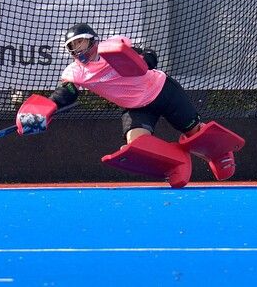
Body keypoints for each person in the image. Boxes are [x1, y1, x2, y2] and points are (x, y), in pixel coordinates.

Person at [14, 23, 244, 188]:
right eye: (72, 46)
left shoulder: (112, 48)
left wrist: (144, 61)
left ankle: (217, 153)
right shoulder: (75, 72)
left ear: (92, 40)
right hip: (136, 107)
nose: (77, 49)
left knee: (195, 132)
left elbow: (148, 55)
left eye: (80, 42)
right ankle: (177, 160)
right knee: (137, 144)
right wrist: (48, 108)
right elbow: (67, 93)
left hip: (162, 90)